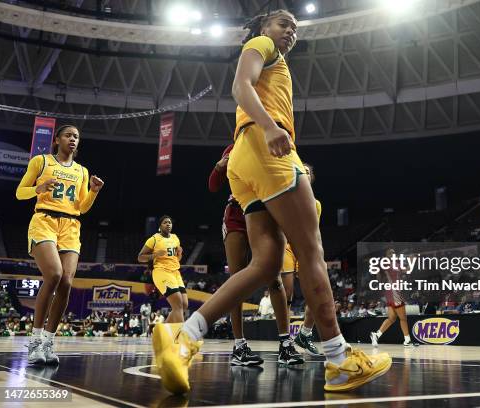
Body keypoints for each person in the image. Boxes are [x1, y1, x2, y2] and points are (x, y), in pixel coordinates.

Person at [153, 8, 391, 394]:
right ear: (264, 27)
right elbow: (239, 87)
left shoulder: (276, 63)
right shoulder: (261, 45)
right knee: (311, 251)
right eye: (284, 24)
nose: (290, 32)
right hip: (265, 148)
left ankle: (186, 336)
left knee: (264, 265)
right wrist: (269, 126)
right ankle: (338, 359)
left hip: (245, 163)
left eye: (295, 28)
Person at [16, 124, 104, 365]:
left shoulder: (82, 171)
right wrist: (38, 188)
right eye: (68, 135)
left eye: (76, 136)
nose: (72, 139)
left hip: (71, 226)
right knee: (53, 274)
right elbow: (19, 193)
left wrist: (94, 192)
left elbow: (81, 207)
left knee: (66, 281)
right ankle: (34, 341)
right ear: (56, 140)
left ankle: (48, 341)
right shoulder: (41, 162)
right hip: (44, 221)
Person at [209, 145, 299, 366]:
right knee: (237, 281)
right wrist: (219, 167)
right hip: (237, 213)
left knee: (274, 279)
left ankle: (285, 345)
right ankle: (239, 346)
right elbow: (213, 185)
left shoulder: (270, 139)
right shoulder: (232, 147)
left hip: (265, 211)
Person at [281, 163, 321, 356]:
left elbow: (314, 233)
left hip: (305, 250)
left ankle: (304, 334)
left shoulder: (317, 204)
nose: (304, 174)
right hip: (287, 247)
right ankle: (285, 341)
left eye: (307, 172)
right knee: (286, 294)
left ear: (311, 177)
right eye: (300, 172)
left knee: (316, 292)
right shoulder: (283, 198)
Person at [138, 216, 187, 323]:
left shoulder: (175, 238)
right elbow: (140, 257)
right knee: (178, 304)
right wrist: (154, 255)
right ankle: (182, 336)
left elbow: (177, 259)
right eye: (165, 222)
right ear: (160, 226)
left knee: (184, 304)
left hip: (175, 272)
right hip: (161, 272)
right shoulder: (154, 239)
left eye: (170, 222)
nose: (168, 224)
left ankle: (162, 332)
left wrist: (180, 254)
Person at [370, 248, 412, 347]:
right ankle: (407, 341)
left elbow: (407, 270)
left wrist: (410, 262)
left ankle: (376, 335)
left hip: (396, 291)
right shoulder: (385, 264)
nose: (393, 254)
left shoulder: (397, 264)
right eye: (390, 253)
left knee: (392, 318)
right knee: (403, 318)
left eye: (394, 252)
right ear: (386, 255)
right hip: (392, 292)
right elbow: (379, 277)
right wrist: (378, 272)